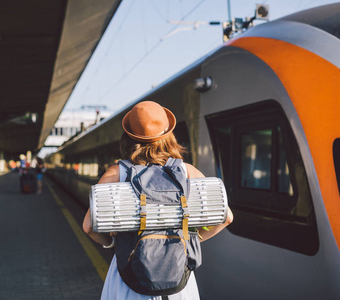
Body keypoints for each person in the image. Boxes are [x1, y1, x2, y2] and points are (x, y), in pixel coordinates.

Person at [83, 101, 233, 300]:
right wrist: (190, 241)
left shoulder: (116, 172)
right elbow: (227, 217)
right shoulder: (187, 171)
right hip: (179, 282)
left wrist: (113, 243)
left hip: (130, 278)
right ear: (168, 135)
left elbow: (88, 227)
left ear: (128, 137)